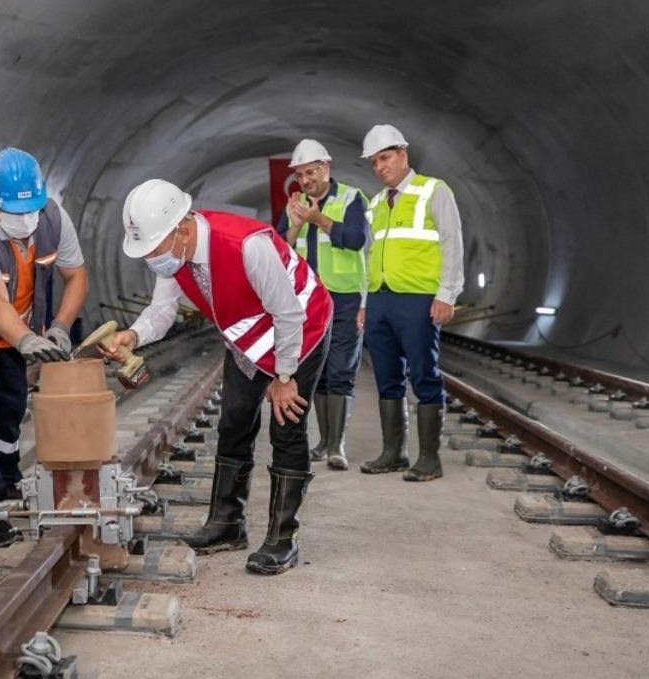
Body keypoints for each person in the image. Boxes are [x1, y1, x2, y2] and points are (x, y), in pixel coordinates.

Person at [105, 180, 331, 575]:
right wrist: (134, 334)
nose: (152, 259)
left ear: (183, 228)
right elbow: (162, 312)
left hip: (301, 326)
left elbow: (288, 313)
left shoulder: (246, 244)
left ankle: (283, 538)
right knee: (234, 421)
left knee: (287, 424)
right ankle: (227, 524)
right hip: (248, 336)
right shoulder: (172, 258)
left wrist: (284, 376)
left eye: (154, 249)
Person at [0, 148, 88, 547]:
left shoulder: (53, 218)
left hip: (21, 337)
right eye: (18, 213)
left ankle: (8, 481)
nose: (28, 219)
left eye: (32, 209)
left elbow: (76, 276)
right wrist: (26, 339)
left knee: (12, 410)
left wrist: (62, 327)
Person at [357, 125, 464, 482]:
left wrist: (446, 294)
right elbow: (369, 257)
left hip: (418, 300)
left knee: (424, 376)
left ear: (403, 153)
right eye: (374, 162)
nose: (380, 167)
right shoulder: (375, 203)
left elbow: (451, 242)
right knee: (387, 378)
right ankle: (393, 453)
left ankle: (430, 459)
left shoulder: (433, 191)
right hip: (380, 300)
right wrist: (363, 303)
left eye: (385, 158)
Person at [275, 138, 369, 470]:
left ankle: (337, 445)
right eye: (300, 174)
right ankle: (323, 443)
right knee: (318, 373)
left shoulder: (350, 198)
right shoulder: (294, 204)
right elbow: (278, 251)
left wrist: (318, 220)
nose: (306, 180)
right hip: (307, 300)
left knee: (341, 369)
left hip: (343, 298)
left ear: (326, 167)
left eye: (311, 171)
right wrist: (296, 225)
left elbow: (356, 239)